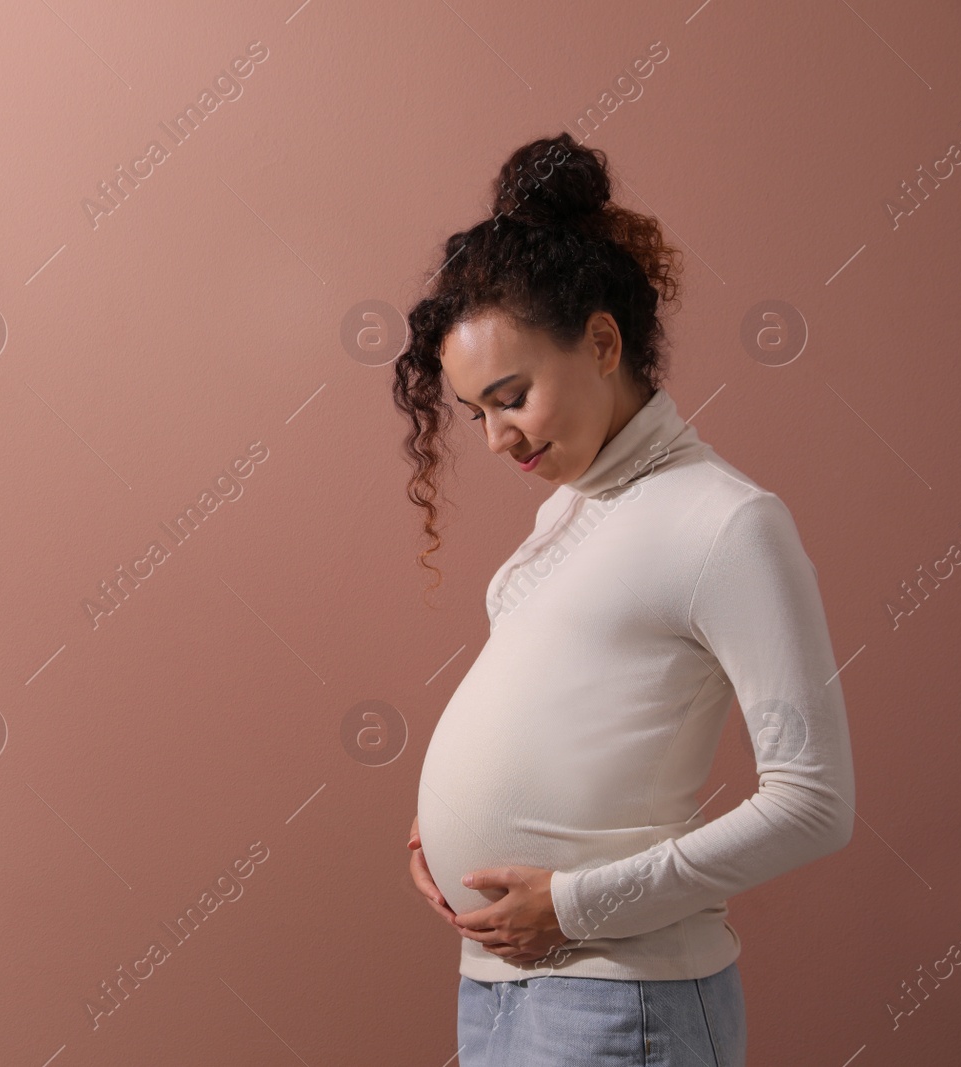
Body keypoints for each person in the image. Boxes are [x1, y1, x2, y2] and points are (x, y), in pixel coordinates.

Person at [390, 132, 856, 1066]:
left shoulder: (727, 522)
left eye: (511, 396)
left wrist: (569, 903)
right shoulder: (574, 509)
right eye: (476, 412)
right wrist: (444, 829)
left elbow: (816, 802)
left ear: (602, 341)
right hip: (499, 983)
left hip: (620, 1000)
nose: (494, 438)